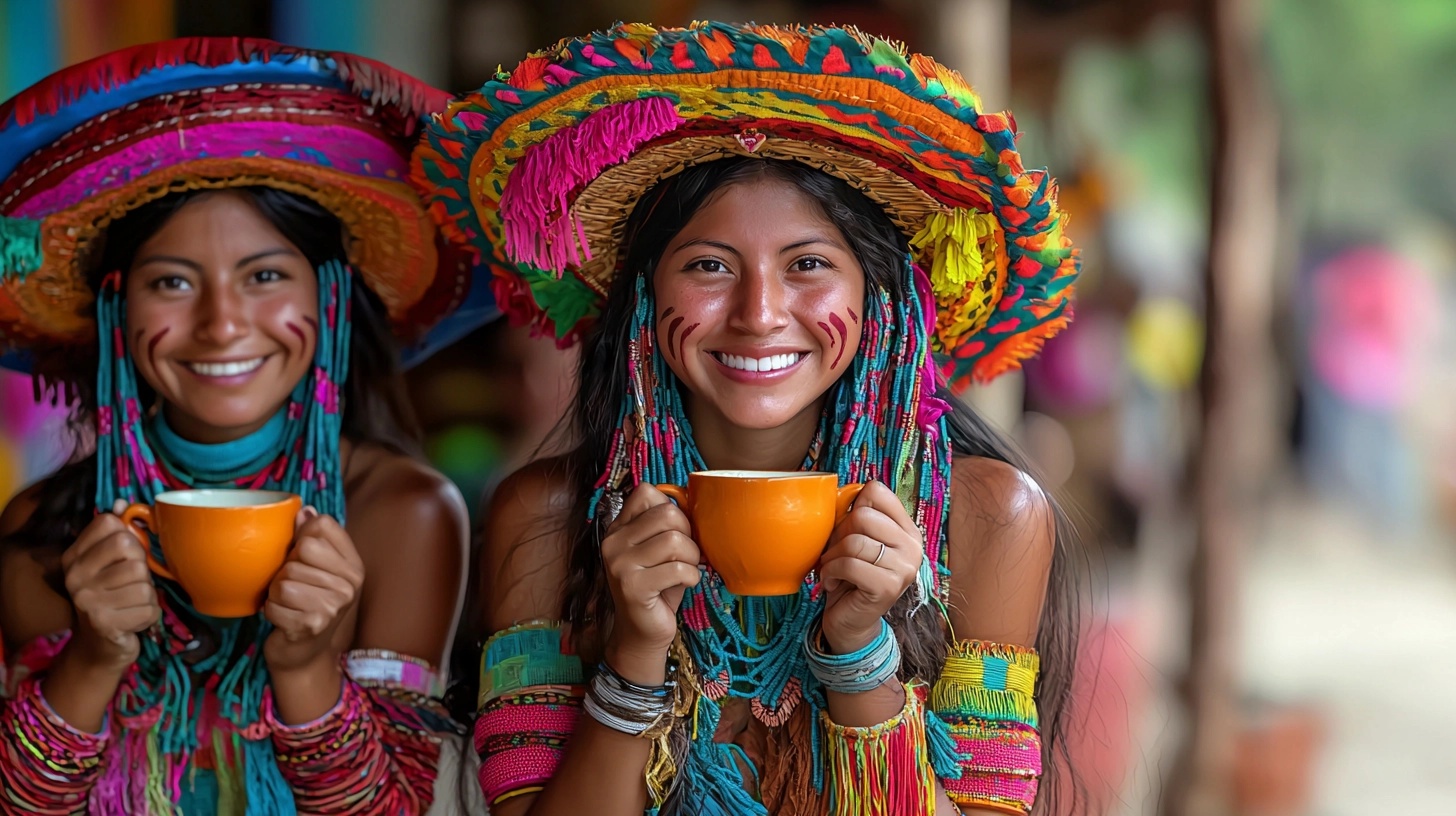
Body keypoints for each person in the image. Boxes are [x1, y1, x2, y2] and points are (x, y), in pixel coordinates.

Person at [415, 23, 1081, 816]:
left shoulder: (986, 519)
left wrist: (864, 653)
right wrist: (633, 654)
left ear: (879, 299)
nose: (759, 314)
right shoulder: (550, 522)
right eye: (708, 266)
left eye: (808, 264)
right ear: (643, 298)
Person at [0, 38, 485, 814]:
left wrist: (305, 673)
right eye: (171, 283)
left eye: (264, 276)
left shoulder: (403, 512)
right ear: (116, 312)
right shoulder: (44, 533)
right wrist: (90, 661)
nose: (223, 324)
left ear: (328, 300)